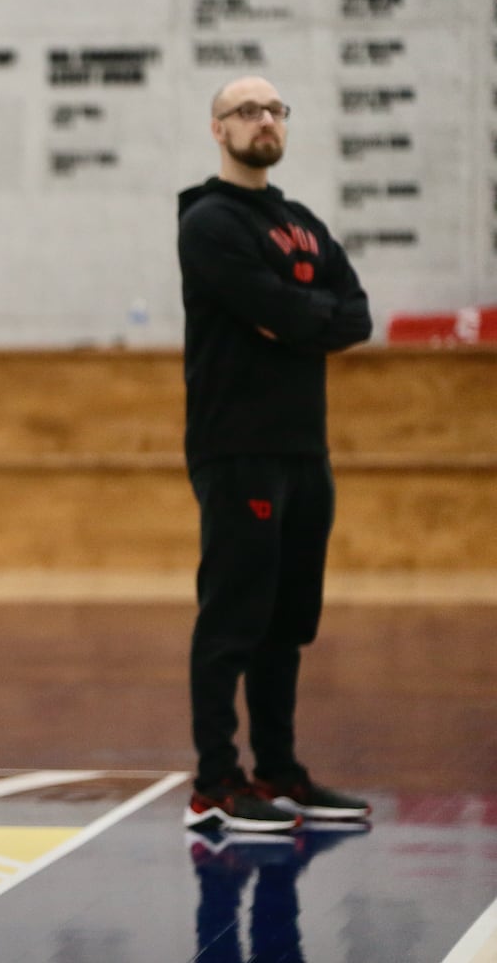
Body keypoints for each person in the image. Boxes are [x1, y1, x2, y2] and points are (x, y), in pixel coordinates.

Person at [177, 75, 375, 833]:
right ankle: (213, 785)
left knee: (287, 620)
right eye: (245, 111)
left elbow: (353, 316)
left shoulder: (302, 223)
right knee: (232, 618)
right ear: (217, 129)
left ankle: (279, 773)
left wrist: (300, 319)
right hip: (237, 447)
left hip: (302, 448)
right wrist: (301, 317)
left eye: (273, 111)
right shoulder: (207, 221)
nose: (262, 121)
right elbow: (273, 307)